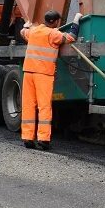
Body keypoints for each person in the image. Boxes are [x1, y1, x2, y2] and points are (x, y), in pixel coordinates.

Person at [21, 10, 80, 151]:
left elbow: (23, 32)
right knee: (44, 107)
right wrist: (76, 20)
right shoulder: (53, 34)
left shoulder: (34, 31)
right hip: (43, 74)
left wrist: (26, 26)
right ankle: (43, 139)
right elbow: (71, 37)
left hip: (28, 72)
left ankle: (28, 137)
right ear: (54, 22)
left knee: (28, 105)